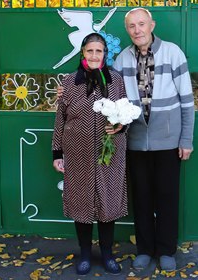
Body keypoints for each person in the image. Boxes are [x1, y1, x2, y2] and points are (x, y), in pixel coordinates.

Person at [112, 7, 194, 271]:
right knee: (142, 197)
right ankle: (145, 250)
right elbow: (111, 95)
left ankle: (167, 250)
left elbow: (187, 101)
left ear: (152, 25)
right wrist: (69, 89)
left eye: (141, 24)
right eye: (131, 26)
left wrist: (186, 139)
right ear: (127, 30)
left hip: (169, 140)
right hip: (135, 141)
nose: (137, 30)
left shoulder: (172, 52)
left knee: (167, 196)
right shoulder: (122, 59)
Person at [52, 32, 128, 276]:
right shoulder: (69, 81)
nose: (95, 55)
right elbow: (60, 119)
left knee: (108, 201)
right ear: (83, 53)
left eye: (99, 51)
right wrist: (57, 153)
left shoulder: (116, 80)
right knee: (81, 202)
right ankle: (85, 254)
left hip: (110, 151)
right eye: (90, 50)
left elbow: (125, 111)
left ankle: (107, 254)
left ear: (105, 54)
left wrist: (121, 126)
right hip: (78, 151)